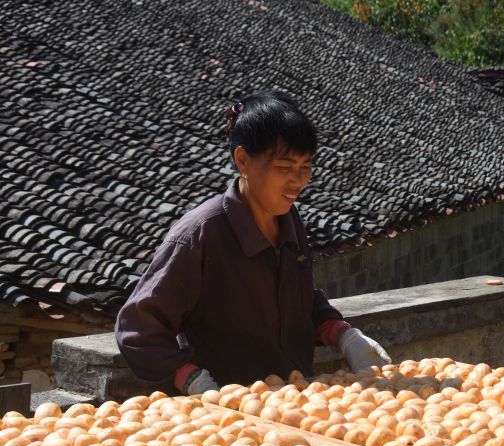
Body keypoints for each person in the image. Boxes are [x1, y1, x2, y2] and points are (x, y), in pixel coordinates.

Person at [115, 90, 390, 396]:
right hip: (229, 416)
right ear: (243, 160)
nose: (298, 182)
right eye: (285, 168)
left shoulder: (288, 220)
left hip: (295, 404)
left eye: (305, 167)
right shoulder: (200, 235)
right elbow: (137, 328)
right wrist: (192, 379)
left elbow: (298, 300)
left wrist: (342, 334)